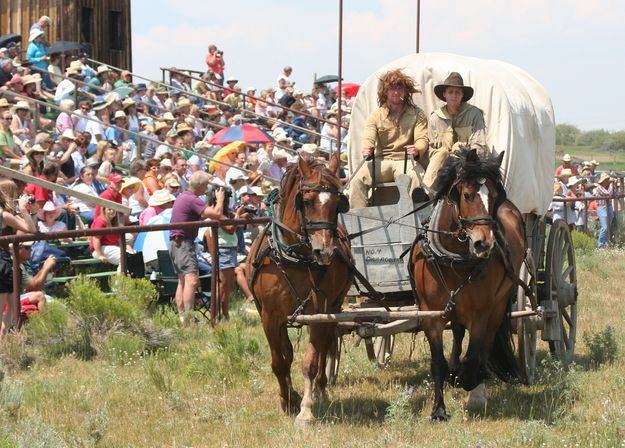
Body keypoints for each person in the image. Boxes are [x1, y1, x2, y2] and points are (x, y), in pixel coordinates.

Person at [349, 69, 428, 208]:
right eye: (392, 88)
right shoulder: (375, 116)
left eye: (399, 88)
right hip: (381, 161)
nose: (396, 92)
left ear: (405, 91)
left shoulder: (417, 114)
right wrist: (367, 148)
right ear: (385, 91)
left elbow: (422, 139)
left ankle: (418, 219)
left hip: (405, 161)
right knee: (356, 180)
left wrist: (417, 149)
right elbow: (368, 137)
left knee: (419, 178)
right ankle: (358, 219)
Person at [169, 171, 225, 324]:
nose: (207, 189)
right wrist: (220, 200)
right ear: (201, 186)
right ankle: (188, 317)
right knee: (192, 280)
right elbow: (218, 214)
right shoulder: (192, 199)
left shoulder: (183, 197)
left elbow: (201, 215)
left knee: (183, 280)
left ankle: (183, 318)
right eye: (206, 185)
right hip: (184, 243)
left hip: (177, 243)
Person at [422, 72, 487, 195]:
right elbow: (431, 149)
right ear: (444, 94)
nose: (454, 95)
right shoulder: (435, 118)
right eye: (450, 92)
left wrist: (461, 152)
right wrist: (446, 154)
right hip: (442, 166)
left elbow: (479, 145)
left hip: (466, 164)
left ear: (462, 95)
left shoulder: (474, 114)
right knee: (441, 152)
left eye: (458, 92)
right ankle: (425, 192)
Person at [0, 179, 37, 336]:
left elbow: (30, 226)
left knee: (12, 309)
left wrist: (30, 211)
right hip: (2, 264)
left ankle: (7, 346)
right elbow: (31, 229)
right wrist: (22, 208)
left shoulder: (6, 213)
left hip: (6, 262)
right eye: (15, 193)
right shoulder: (4, 215)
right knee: (6, 310)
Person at [595, 172, 614, 248]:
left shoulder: (609, 186)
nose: (608, 181)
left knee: (608, 227)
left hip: (609, 206)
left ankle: (605, 243)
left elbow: (614, 194)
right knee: (605, 227)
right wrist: (612, 185)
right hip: (602, 207)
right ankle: (600, 245)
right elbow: (608, 193)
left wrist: (613, 185)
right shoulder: (599, 187)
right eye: (607, 179)